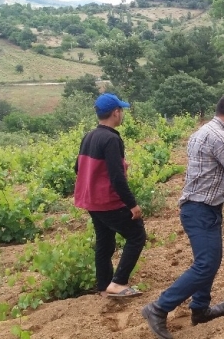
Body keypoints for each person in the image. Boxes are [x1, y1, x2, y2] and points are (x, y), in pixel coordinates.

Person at [142, 93, 224, 339]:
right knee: (205, 264)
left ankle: (200, 309)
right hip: (200, 210)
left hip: (202, 208)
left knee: (209, 260)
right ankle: (158, 308)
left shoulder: (206, 131)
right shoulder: (218, 137)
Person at [73, 93, 146, 298]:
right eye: (121, 110)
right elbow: (116, 178)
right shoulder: (112, 139)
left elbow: (78, 167)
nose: (121, 114)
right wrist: (132, 204)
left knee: (105, 241)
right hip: (108, 201)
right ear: (116, 113)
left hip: (91, 201)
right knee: (137, 235)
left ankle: (104, 284)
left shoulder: (89, 136)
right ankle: (118, 282)